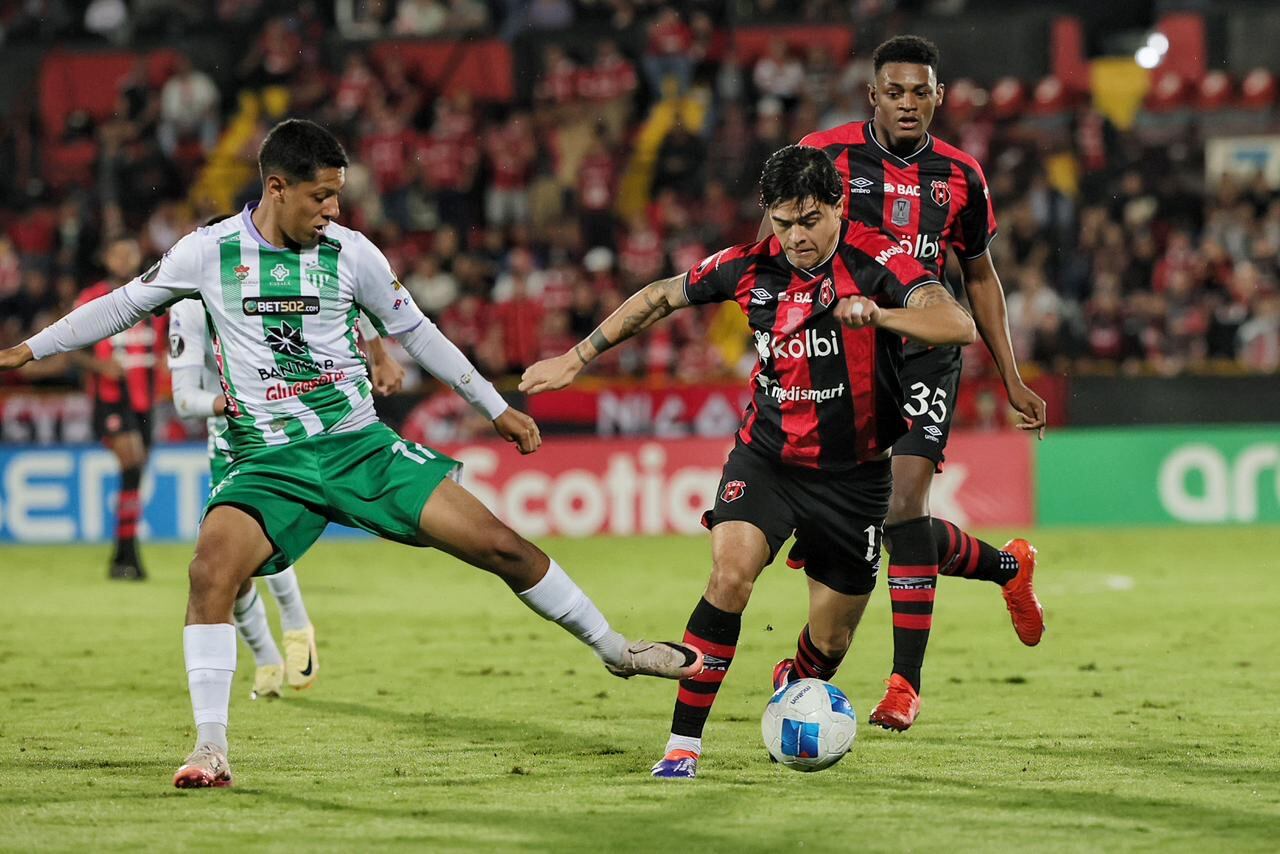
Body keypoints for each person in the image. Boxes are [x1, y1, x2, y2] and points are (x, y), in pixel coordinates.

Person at [0, 119, 703, 789]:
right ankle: (210, 746)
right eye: (320, 194)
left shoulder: (354, 253)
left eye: (338, 193)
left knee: (500, 545)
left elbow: (420, 335)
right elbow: (120, 306)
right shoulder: (207, 252)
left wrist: (495, 407)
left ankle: (616, 650)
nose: (333, 207)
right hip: (267, 462)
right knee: (209, 572)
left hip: (359, 446)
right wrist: (30, 349)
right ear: (276, 188)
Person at [520, 144, 977, 779]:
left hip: (856, 479)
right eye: (784, 222)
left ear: (838, 206)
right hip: (769, 461)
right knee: (730, 576)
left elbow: (956, 323)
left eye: (811, 220)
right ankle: (683, 745)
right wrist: (577, 357)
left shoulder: (876, 260)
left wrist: (881, 313)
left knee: (832, 639)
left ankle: (798, 681)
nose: (797, 237)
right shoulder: (747, 267)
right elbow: (659, 296)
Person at [764, 35, 1048, 732]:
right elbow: (781, 244)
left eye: (920, 91)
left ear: (939, 97)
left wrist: (1010, 375)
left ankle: (903, 686)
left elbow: (979, 276)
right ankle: (1007, 568)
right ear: (873, 96)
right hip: (844, 350)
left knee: (904, 503)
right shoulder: (825, 155)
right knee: (876, 519)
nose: (908, 103)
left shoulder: (962, 177)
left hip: (921, 350)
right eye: (895, 91)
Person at [167, 286, 405, 700]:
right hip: (231, 441)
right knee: (233, 567)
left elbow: (353, 296)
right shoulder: (188, 306)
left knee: (267, 540)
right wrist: (225, 404)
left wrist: (379, 354)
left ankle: (297, 627)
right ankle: (265, 658)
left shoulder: (265, 287)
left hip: (287, 430)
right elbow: (184, 398)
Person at [71, 237, 164, 580]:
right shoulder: (92, 298)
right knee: (132, 463)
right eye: (118, 252)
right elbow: (70, 347)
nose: (124, 259)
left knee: (134, 475)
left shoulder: (152, 295)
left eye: (130, 252)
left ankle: (123, 554)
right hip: (110, 398)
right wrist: (101, 367)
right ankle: (127, 554)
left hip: (145, 400)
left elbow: (163, 343)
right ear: (106, 257)